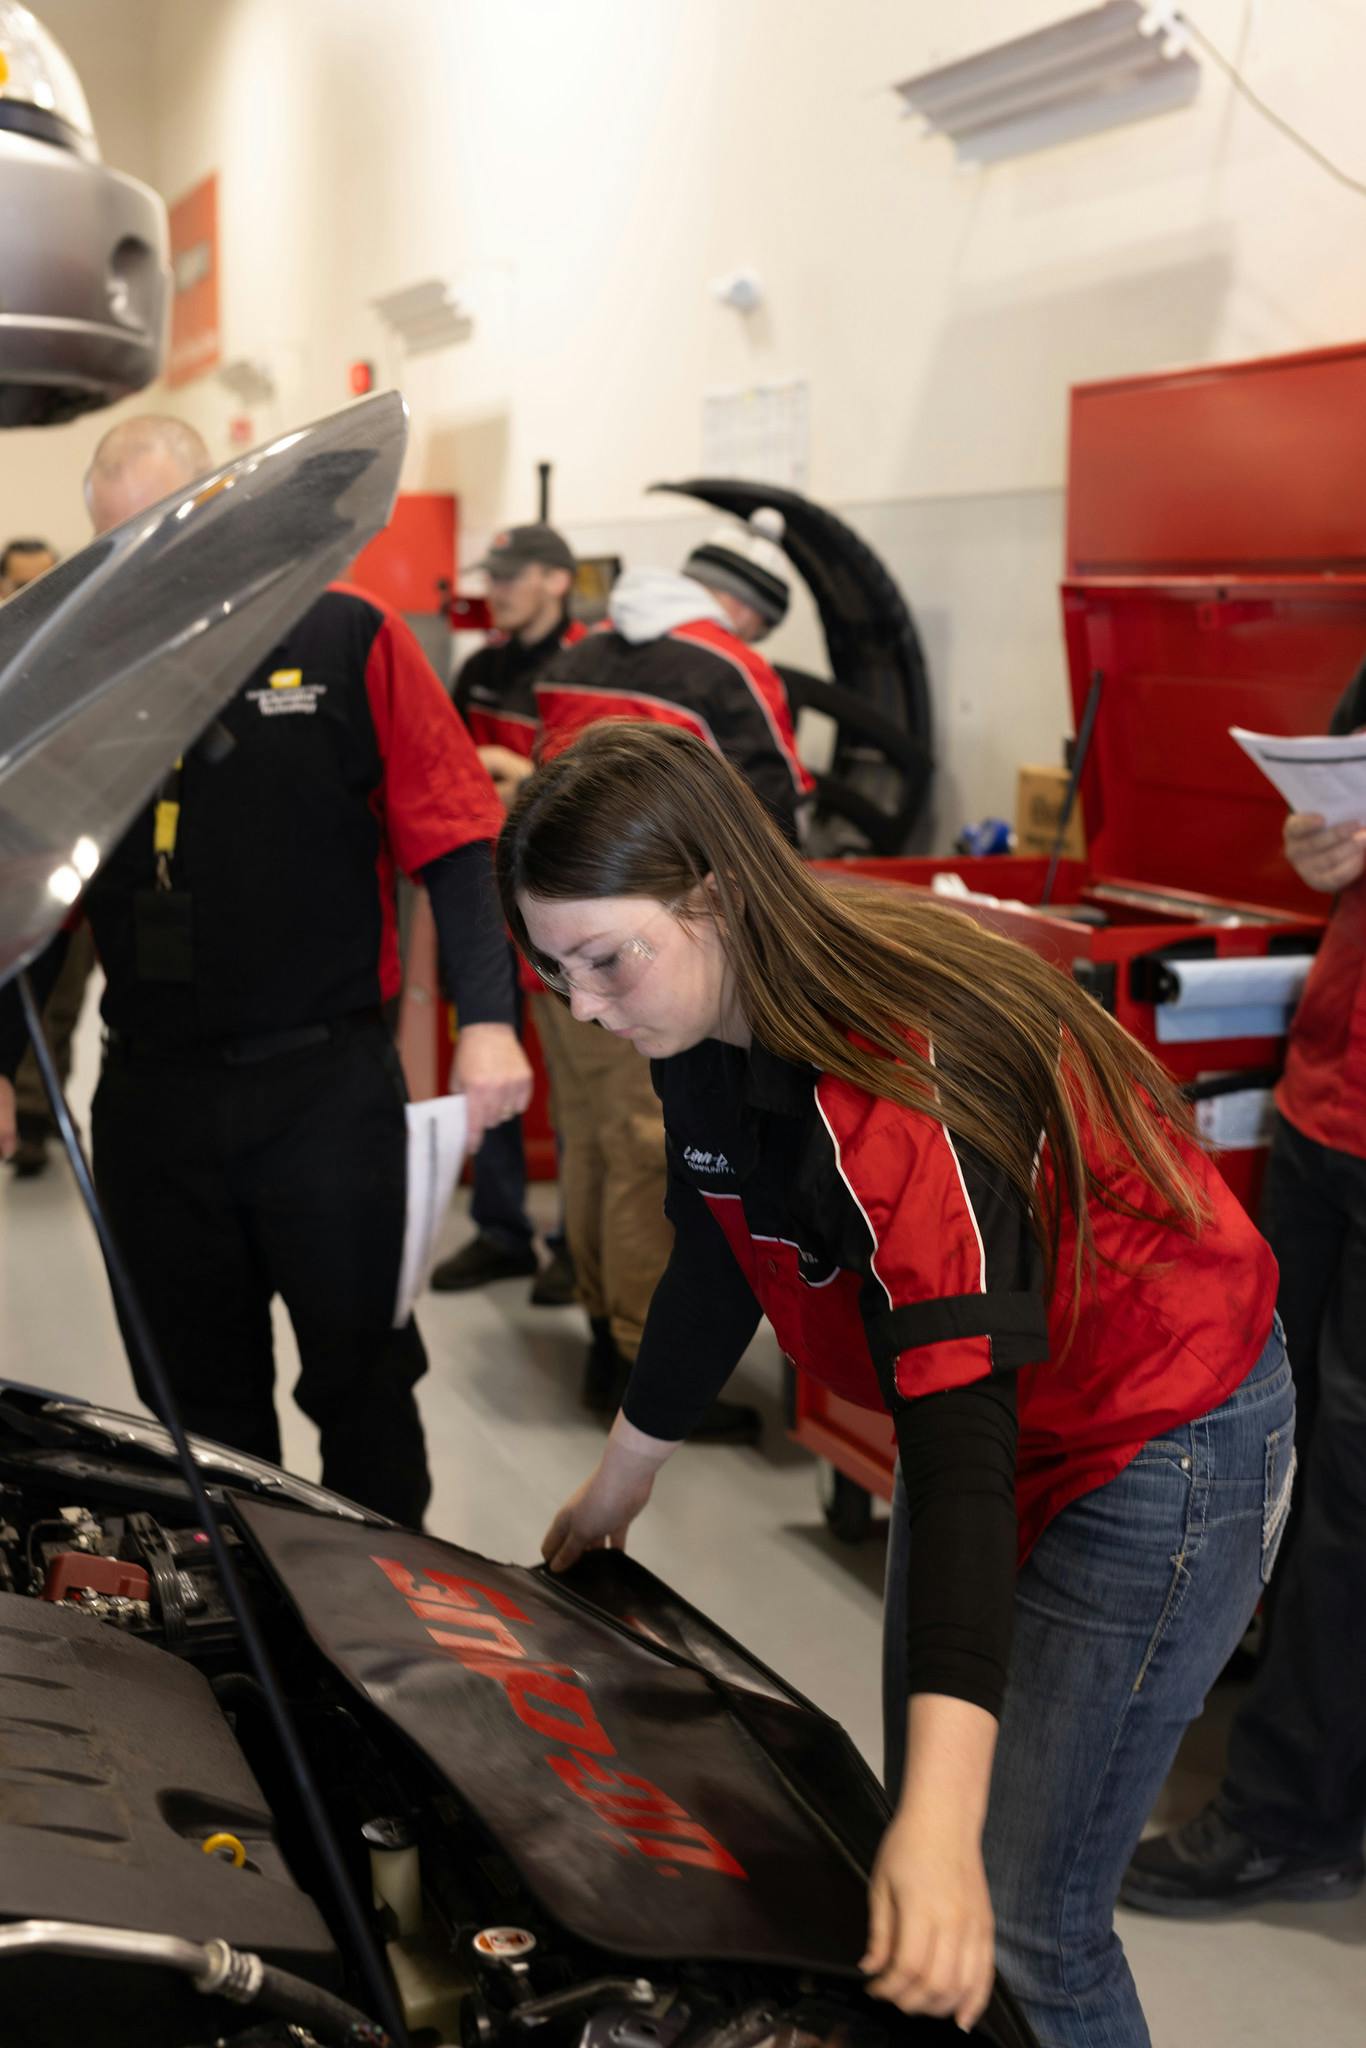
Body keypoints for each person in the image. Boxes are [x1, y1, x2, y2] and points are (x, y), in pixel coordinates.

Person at [496, 721, 1291, 2048]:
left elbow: (962, 1458)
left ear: (712, 897)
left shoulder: (899, 1080)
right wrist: (624, 1474)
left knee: (1028, 1927)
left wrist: (936, 1822)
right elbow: (720, 1241)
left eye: (603, 961)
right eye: (554, 968)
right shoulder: (701, 1017)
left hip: (1155, 1429)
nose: (581, 1009)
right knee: (918, 1845)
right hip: (988, 1415)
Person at [0, 417, 532, 1528]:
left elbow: (455, 838)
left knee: (363, 1381)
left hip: (326, 1093)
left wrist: (488, 1019)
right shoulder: (83, 677)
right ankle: (239, 1645)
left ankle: (394, 1624)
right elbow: (26, 894)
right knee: (191, 1409)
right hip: (153, 1100)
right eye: (118, 546)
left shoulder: (346, 638)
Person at [1122, 661, 1366, 1916]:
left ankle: (1291, 1814)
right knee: (1279, 1438)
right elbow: (1339, 786)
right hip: (1330, 1101)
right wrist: (1320, 841)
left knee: (1352, 1499)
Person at [529, 522, 812, 1430]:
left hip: (556, 938)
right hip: (648, 952)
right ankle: (638, 1356)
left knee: (590, 1137)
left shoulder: (593, 642)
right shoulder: (724, 666)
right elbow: (774, 816)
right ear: (742, 608)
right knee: (650, 1148)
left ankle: (601, 1333)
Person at [432, 523, 584, 1302]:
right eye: (491, 575)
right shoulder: (482, 668)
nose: (497, 588)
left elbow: (601, 786)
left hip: (563, 898)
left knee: (571, 1072)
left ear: (558, 580)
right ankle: (501, 1232)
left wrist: (520, 775)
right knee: (485, 1051)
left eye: (514, 575)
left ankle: (572, 1247)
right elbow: (441, 769)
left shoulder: (587, 665)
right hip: (485, 891)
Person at [0, 537, 99, 1179]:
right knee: (29, 992)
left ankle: (44, 1102)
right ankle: (31, 1115)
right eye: (20, 584)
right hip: (15, 869)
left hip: (82, 859)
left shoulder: (84, 663)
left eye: (46, 580)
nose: (33, 593)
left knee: (65, 999)